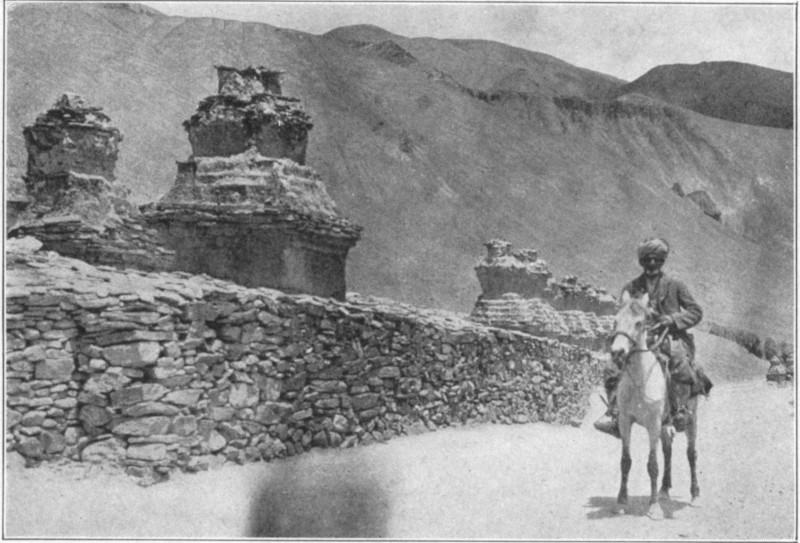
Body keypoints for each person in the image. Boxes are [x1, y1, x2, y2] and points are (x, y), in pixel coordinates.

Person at [594, 237, 713, 438]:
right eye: (647, 259)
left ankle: (678, 411)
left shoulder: (675, 286)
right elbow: (623, 315)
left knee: (678, 363)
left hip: (669, 337)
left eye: (657, 259)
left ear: (663, 261)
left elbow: (695, 311)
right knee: (611, 369)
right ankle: (614, 413)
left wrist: (673, 319)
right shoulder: (630, 288)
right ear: (641, 261)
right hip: (638, 338)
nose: (651, 263)